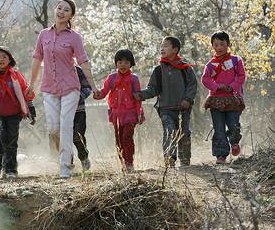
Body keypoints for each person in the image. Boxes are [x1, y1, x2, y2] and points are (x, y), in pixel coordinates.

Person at [25, 0, 100, 178]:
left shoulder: (75, 37)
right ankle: (68, 155)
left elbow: (83, 62)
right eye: (60, 8)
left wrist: (94, 86)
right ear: (55, 10)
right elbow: (37, 59)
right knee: (53, 129)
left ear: (71, 15)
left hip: (70, 88)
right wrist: (31, 84)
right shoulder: (44, 35)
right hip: (49, 87)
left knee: (67, 127)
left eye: (66, 10)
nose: (61, 12)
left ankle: (65, 168)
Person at [134, 37, 197, 167]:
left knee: (184, 134)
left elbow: (192, 85)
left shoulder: (185, 69)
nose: (162, 49)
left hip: (183, 108)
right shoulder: (158, 70)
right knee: (169, 132)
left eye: (166, 46)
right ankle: (170, 159)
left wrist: (187, 99)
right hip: (165, 109)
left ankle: (185, 160)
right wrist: (142, 94)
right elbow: (153, 88)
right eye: (161, 46)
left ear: (175, 50)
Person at [0, 46, 36, 179]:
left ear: (10, 59)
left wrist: (30, 112)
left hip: (13, 115)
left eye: (4, 57)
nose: (1, 60)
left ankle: (10, 169)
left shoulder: (16, 76)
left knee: (11, 141)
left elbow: (25, 93)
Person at [94, 49, 145, 172]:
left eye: (127, 62)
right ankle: (123, 163)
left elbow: (138, 98)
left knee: (127, 138)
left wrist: (139, 113)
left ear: (131, 64)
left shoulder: (134, 79)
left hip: (130, 114)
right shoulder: (112, 78)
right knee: (118, 140)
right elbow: (104, 92)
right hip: (116, 114)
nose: (123, 65)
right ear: (116, 63)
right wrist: (96, 93)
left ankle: (129, 163)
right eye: (120, 62)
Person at [201, 31, 246, 164]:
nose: (219, 47)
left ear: (228, 44)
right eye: (216, 45)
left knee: (233, 126)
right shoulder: (211, 64)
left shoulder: (236, 60)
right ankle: (221, 155)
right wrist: (217, 86)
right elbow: (205, 79)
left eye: (222, 44)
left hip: (233, 99)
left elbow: (241, 77)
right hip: (216, 101)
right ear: (212, 46)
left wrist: (232, 86)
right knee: (219, 128)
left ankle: (234, 142)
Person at [73, 65, 92, 171]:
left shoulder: (78, 71)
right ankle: (68, 163)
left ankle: (83, 157)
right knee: (66, 137)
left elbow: (87, 87)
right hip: (61, 111)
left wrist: (80, 97)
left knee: (78, 136)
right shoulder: (54, 70)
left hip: (79, 110)